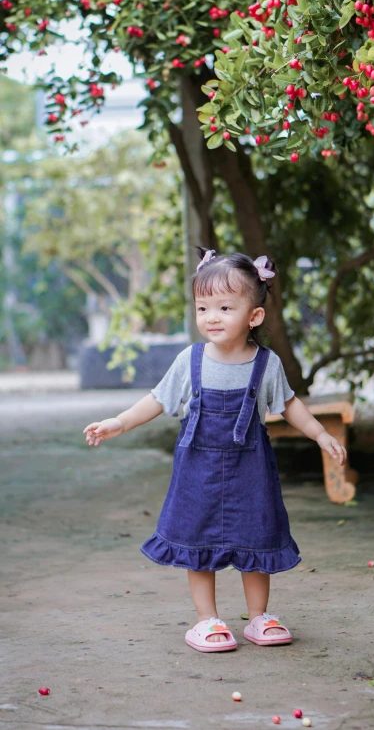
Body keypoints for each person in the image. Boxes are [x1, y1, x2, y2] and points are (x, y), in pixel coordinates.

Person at [84, 247, 346, 653]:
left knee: (257, 541)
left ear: (253, 316)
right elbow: (157, 400)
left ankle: (259, 617)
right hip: (198, 471)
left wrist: (320, 434)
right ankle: (207, 620)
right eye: (202, 307)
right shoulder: (190, 360)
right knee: (197, 542)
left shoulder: (266, 363)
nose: (211, 317)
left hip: (251, 470)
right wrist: (118, 422)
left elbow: (290, 404)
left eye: (225, 307)